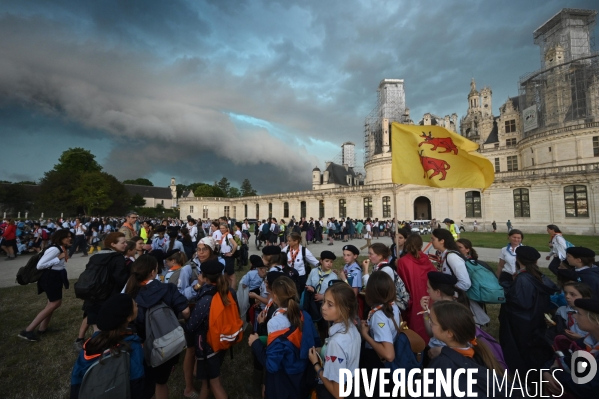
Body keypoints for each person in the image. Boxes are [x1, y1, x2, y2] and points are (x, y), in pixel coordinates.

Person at [125, 255, 190, 399]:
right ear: (154, 272)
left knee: (144, 383)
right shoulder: (168, 288)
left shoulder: (130, 293)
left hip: (140, 345)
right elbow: (185, 310)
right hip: (166, 342)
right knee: (161, 382)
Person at [249, 276, 320, 399]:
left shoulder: (275, 323)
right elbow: (316, 342)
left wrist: (255, 343)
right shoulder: (305, 315)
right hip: (302, 372)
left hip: (282, 378)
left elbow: (272, 364)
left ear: (274, 297)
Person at [426, 301, 509, 397]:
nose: (430, 323)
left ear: (449, 333)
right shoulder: (480, 354)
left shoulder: (441, 365)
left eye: (432, 322)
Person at [69, 294, 144, 399]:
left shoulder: (91, 344)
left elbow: (77, 377)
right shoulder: (133, 345)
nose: (137, 304)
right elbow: (137, 380)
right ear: (129, 317)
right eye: (135, 305)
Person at [499, 246, 557, 374]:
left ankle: (525, 378)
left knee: (521, 352)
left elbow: (520, 302)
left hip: (522, 323)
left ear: (518, 259)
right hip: (536, 319)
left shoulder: (523, 278)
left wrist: (507, 290)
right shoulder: (538, 276)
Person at [186, 259, 237, 399]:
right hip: (223, 340)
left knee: (214, 383)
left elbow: (191, 325)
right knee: (208, 381)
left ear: (204, 277)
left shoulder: (205, 299)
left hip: (208, 345)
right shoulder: (230, 291)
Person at [76, 232, 129, 349]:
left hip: (92, 291)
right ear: (113, 244)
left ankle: (81, 340)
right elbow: (120, 279)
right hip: (107, 294)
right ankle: (97, 348)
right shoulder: (117, 257)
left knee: (92, 316)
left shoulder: (96, 255)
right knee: (103, 324)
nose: (126, 245)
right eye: (123, 242)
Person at [308, 283, 361, 399]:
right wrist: (323, 351)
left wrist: (316, 365)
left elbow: (339, 394)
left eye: (330, 304)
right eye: (324, 302)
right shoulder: (353, 329)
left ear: (345, 309)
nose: (323, 307)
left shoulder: (336, 343)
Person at [19, 229, 72, 341]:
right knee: (55, 303)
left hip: (55, 276)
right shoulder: (54, 249)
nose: (70, 238)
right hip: (50, 277)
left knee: (51, 303)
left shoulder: (60, 248)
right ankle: (27, 331)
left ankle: (43, 328)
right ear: (60, 237)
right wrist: (58, 258)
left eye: (70, 236)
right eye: (67, 236)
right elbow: (40, 265)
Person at [544, 298, 599, 398]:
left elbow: (589, 389)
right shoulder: (586, 342)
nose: (574, 316)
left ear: (595, 320)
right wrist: (546, 372)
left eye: (579, 314)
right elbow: (559, 355)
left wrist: (556, 372)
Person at [358, 271, 401, 396]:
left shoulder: (378, 316)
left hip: (378, 365)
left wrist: (365, 335)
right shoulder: (393, 306)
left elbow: (389, 355)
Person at [396, 234, 436, 343]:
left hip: (414, 297)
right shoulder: (426, 259)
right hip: (427, 297)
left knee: (415, 325)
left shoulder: (403, 261)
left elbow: (401, 285)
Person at [305, 250, 338, 339]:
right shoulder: (313, 272)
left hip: (324, 303)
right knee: (310, 323)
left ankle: (324, 339)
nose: (329, 264)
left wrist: (323, 297)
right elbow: (308, 284)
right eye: (327, 261)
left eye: (331, 262)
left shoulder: (333, 276)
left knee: (324, 325)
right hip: (312, 302)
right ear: (321, 261)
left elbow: (333, 293)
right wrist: (310, 288)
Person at [218, 222, 238, 287]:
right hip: (223, 256)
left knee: (231, 275)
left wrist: (231, 253)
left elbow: (235, 245)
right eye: (221, 228)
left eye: (223, 228)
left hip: (228, 257)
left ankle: (232, 291)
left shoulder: (228, 235)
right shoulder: (223, 236)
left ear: (227, 229)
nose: (222, 229)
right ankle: (228, 288)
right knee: (226, 274)